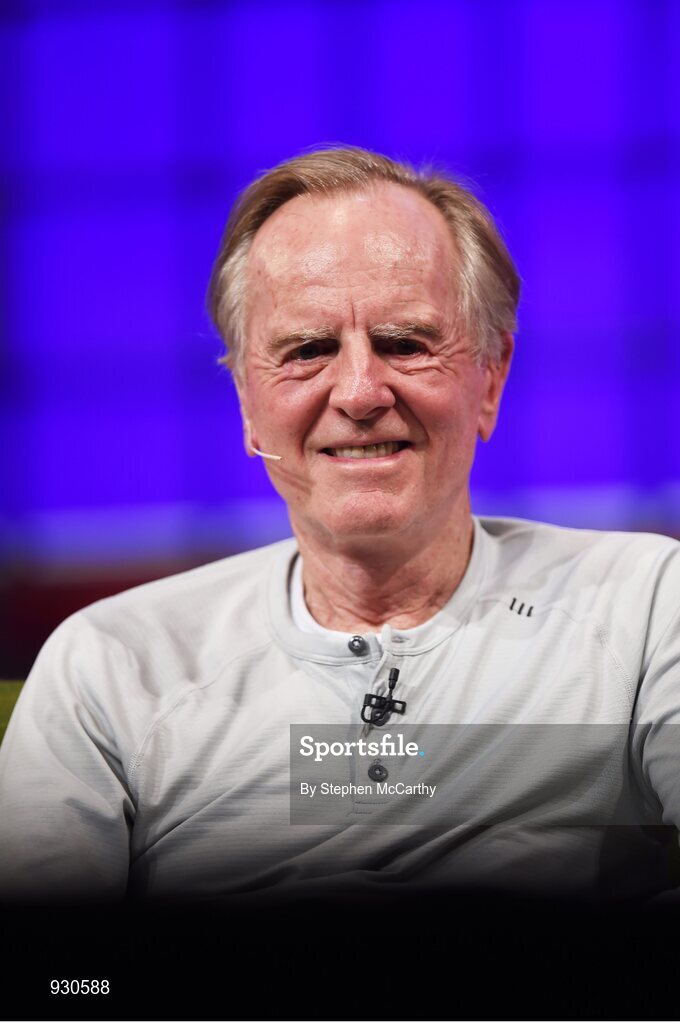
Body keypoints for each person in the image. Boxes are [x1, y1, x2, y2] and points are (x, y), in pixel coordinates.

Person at [1, 146, 679, 907]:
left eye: (405, 344)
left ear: (489, 379)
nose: (359, 392)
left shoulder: (644, 605)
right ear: (248, 403)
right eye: (308, 350)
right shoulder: (112, 665)